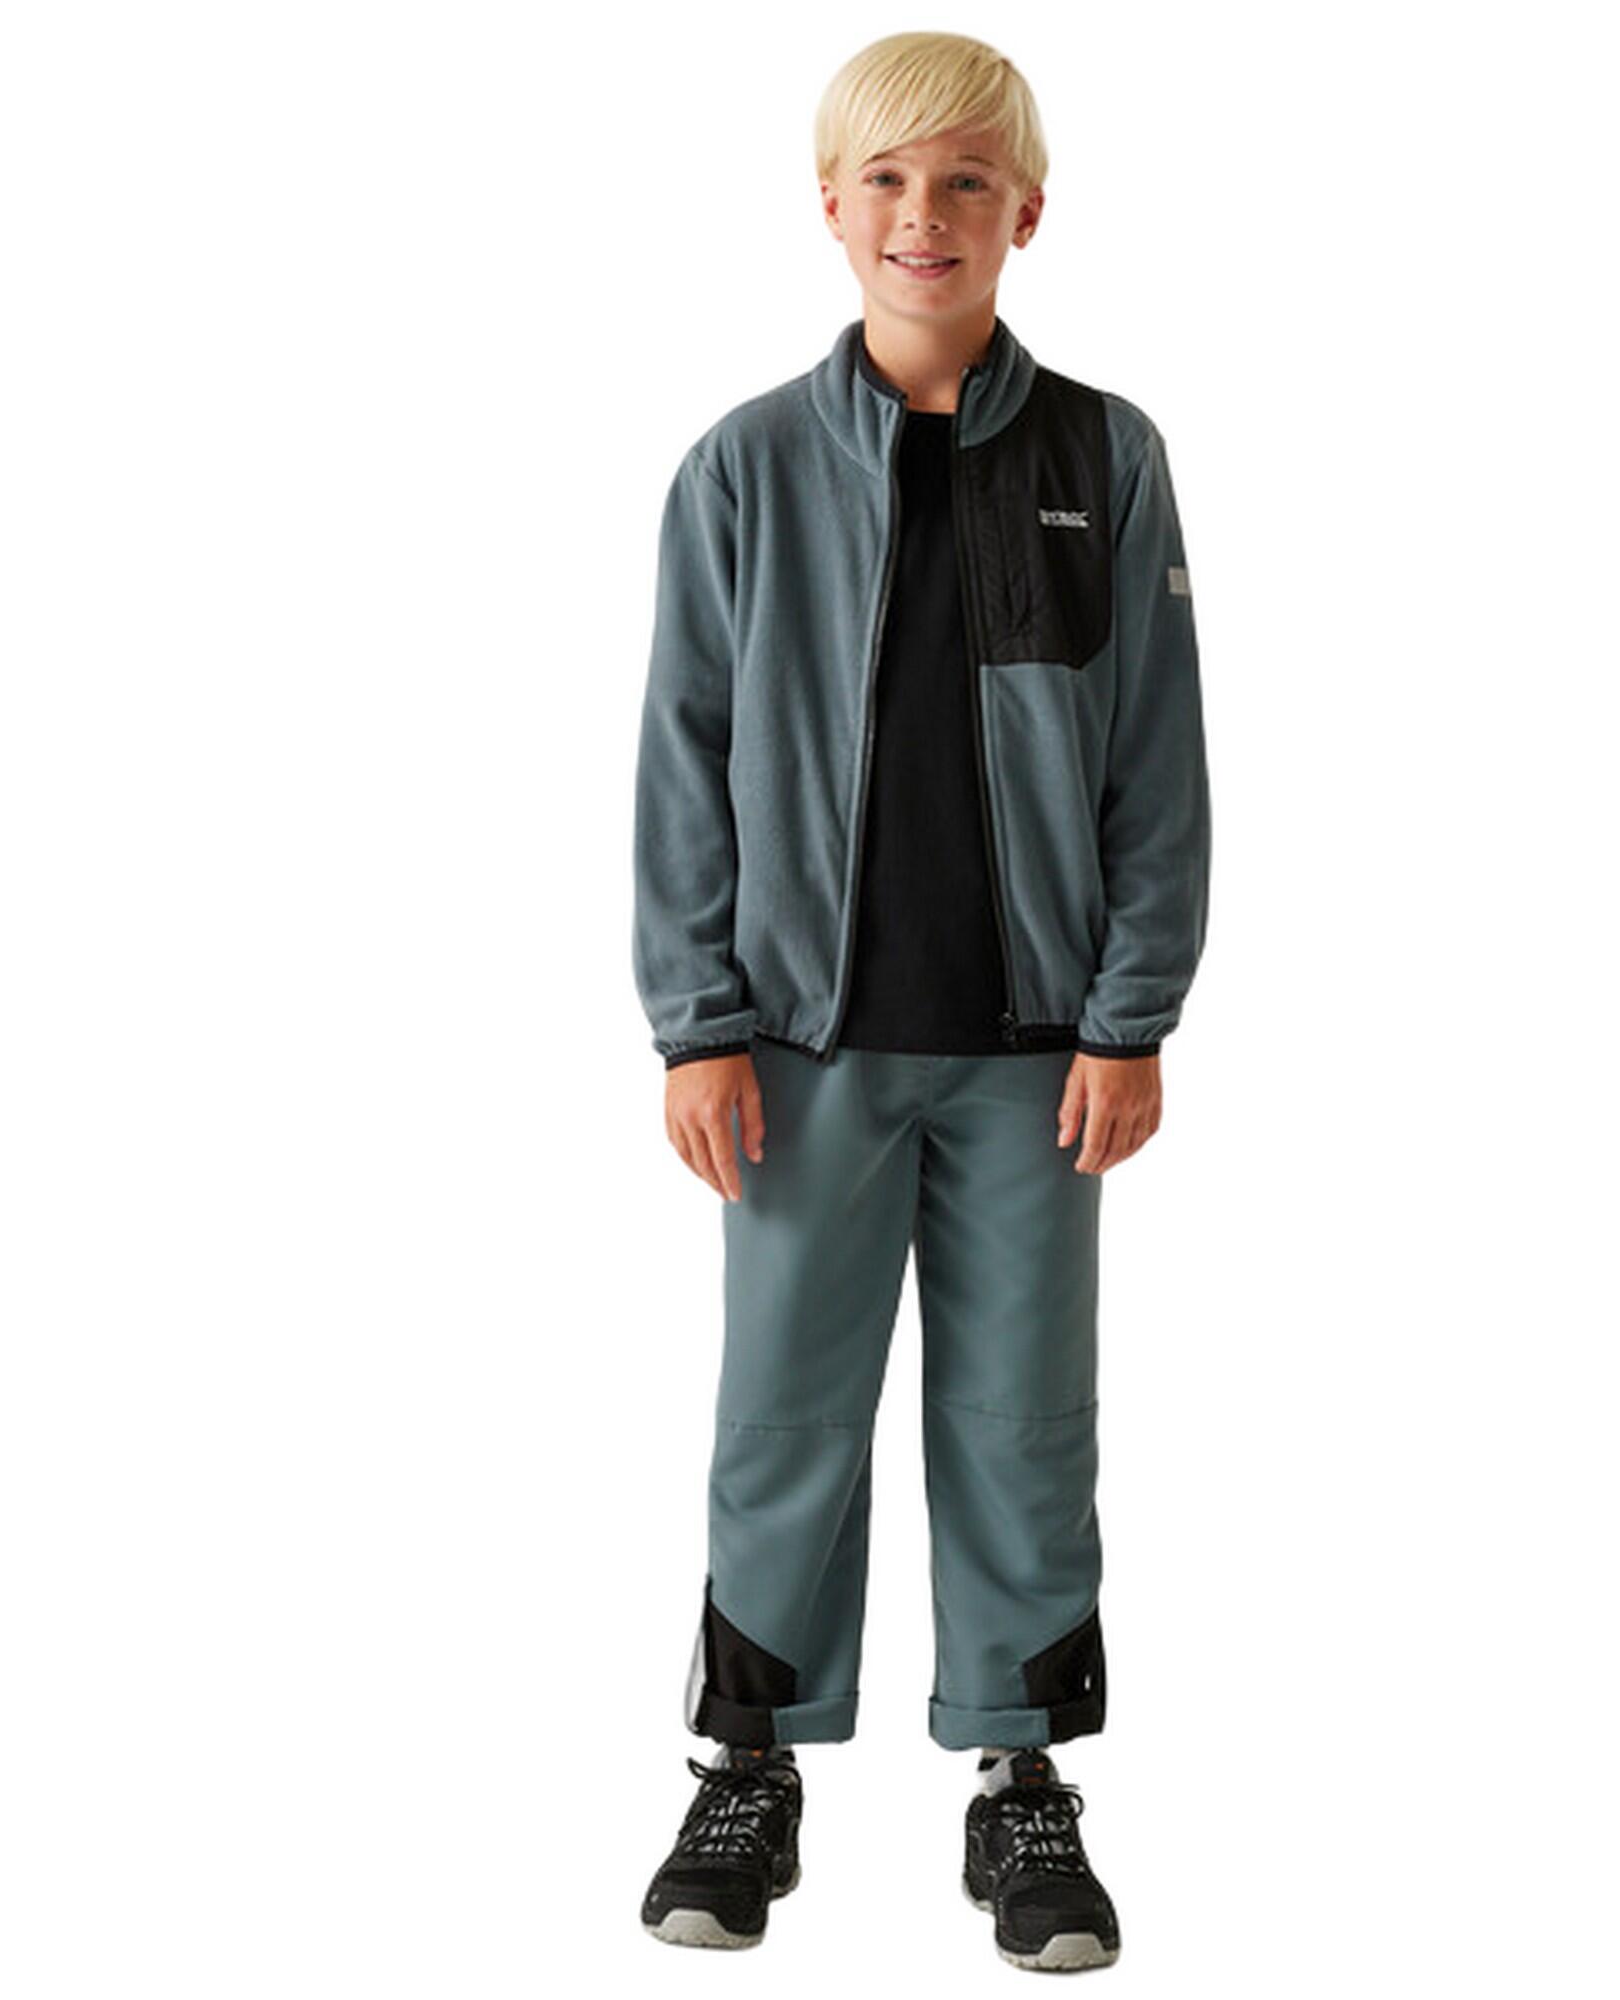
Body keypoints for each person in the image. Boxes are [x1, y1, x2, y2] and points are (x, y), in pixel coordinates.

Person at [629, 29, 1210, 1972]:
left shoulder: (1105, 458)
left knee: (1023, 1421)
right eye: (885, 179)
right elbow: (683, 758)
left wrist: (1133, 1014)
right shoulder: (741, 469)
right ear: (830, 206)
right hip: (800, 1054)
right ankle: (750, 1759)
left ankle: (1020, 1776)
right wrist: (696, 1018)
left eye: (965, 180)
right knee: (782, 1412)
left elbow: (1157, 757)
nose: (923, 214)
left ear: (1026, 213)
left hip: (1037, 1057)